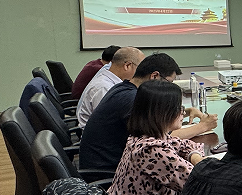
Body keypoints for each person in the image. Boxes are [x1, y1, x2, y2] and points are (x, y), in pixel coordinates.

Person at [79, 53, 216, 172]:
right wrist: (203, 126)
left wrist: (184, 112)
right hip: (108, 170)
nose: (169, 87)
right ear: (155, 76)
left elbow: (155, 116)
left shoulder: (124, 88)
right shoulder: (132, 100)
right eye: (169, 82)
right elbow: (163, 136)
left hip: (108, 162)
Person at [107, 79, 204, 195]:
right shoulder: (152, 149)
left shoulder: (144, 136)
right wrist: (200, 162)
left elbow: (186, 145)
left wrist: (195, 157)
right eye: (178, 108)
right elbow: (200, 183)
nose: (182, 113)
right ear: (162, 113)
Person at [76, 47, 145, 128]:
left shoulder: (110, 81)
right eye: (140, 68)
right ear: (127, 65)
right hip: (97, 133)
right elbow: (106, 121)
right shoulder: (104, 87)